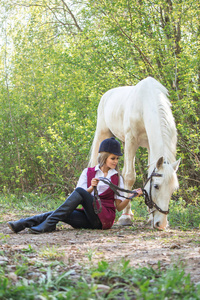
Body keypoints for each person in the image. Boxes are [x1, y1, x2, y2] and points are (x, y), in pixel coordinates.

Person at [7, 137, 143, 234]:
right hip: (89, 218)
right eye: (113, 158)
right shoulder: (88, 172)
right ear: (104, 157)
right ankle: (22, 224)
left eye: (117, 159)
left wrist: (131, 196)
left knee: (78, 193)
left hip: (104, 220)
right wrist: (91, 188)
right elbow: (78, 197)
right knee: (62, 212)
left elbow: (118, 208)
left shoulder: (116, 177)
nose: (116, 161)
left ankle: (48, 224)